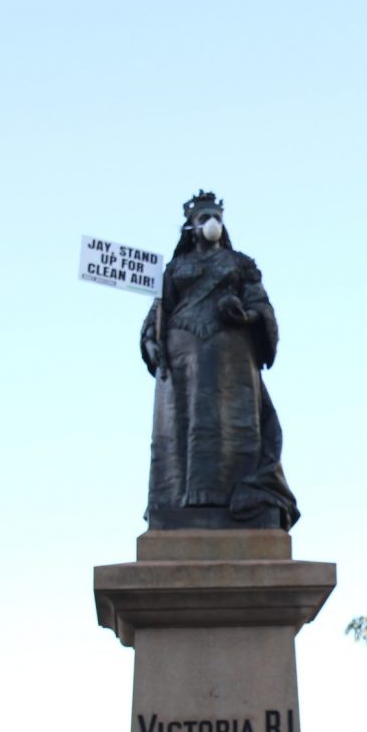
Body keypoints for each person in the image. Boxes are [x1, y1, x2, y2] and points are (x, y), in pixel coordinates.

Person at [141, 190, 298, 530]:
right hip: (181, 362)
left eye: (215, 217)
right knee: (181, 428)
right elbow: (158, 312)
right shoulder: (173, 269)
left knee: (231, 427)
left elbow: (262, 306)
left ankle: (236, 497)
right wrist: (151, 342)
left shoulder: (240, 264)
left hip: (231, 358)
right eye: (202, 218)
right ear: (191, 227)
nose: (210, 223)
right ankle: (180, 501)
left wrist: (243, 314)